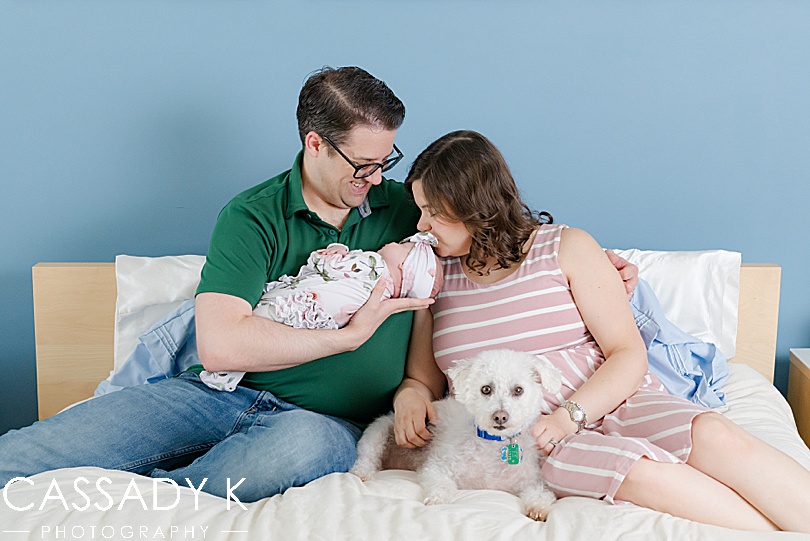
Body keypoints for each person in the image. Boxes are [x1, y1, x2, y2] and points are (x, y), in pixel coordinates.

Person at [0, 67, 635, 504]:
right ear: (315, 145)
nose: (377, 177)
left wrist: (606, 272)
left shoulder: (410, 209)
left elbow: (495, 233)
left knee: (290, 458)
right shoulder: (252, 215)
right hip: (216, 394)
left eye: (386, 160)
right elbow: (221, 347)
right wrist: (351, 336)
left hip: (324, 422)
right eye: (363, 164)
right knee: (39, 450)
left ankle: (132, 503)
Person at [392, 129, 810, 532]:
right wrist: (410, 397)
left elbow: (627, 353)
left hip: (614, 401)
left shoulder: (565, 247)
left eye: (434, 212)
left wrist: (569, 415)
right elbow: (422, 379)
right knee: (642, 475)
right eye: (421, 211)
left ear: (476, 206)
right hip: (531, 441)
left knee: (715, 434)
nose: (423, 225)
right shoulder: (434, 275)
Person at [199, 232, 443, 392]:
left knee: (265, 315)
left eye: (402, 246)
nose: (393, 242)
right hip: (319, 317)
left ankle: (230, 365)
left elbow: (328, 266)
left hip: (307, 303)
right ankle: (228, 370)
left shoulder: (374, 265)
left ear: (404, 267)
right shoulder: (383, 297)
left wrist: (336, 250)